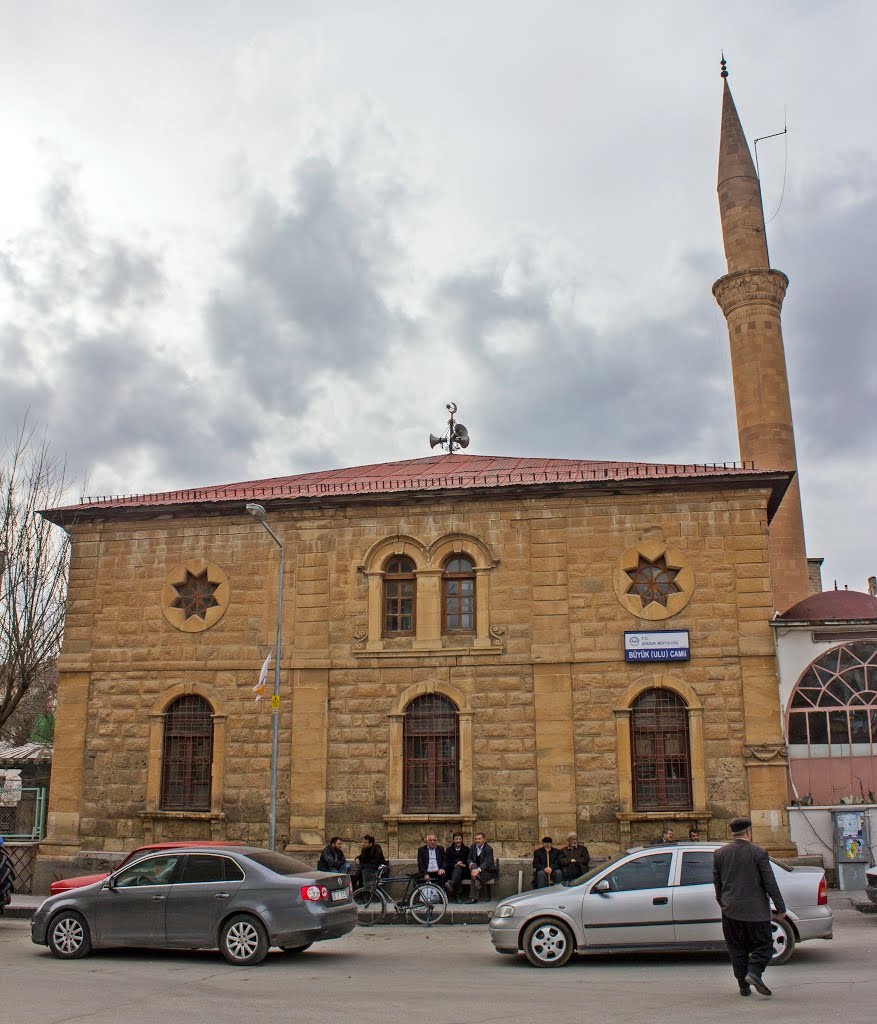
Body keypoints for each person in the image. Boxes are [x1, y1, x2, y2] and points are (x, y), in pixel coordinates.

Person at [713, 816, 787, 998]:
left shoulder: (720, 853)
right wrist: (780, 907)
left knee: (737, 948)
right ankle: (754, 972)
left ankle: (743, 987)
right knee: (765, 945)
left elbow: (717, 883)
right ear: (748, 832)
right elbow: (770, 882)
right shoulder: (758, 853)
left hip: (730, 911)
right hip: (756, 912)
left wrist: (723, 903)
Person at [466, 831, 496, 903]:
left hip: (487, 872)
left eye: (479, 839)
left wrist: (478, 870)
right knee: (473, 866)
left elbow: (487, 863)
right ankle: (476, 880)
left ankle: (473, 898)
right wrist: (471, 864)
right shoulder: (473, 847)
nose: (477, 841)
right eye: (476, 839)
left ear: (484, 839)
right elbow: (469, 859)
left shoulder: (488, 849)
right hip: (475, 870)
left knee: (474, 874)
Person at [444, 832, 470, 903]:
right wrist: (455, 865)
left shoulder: (467, 849)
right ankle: (458, 896)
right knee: (457, 872)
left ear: (462, 840)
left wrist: (464, 865)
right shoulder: (449, 850)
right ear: (453, 840)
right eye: (456, 839)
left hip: (465, 871)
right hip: (452, 871)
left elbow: (470, 860)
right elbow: (447, 862)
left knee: (458, 870)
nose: (458, 841)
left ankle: (452, 884)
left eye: (459, 839)